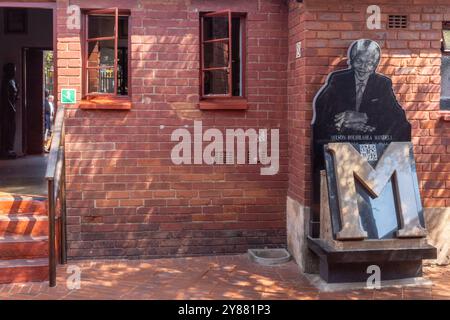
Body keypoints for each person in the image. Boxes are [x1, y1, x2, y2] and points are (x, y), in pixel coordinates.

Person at [312, 39, 411, 144]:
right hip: (342, 143)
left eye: (369, 63)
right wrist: (344, 122)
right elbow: (322, 107)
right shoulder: (338, 80)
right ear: (352, 61)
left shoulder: (383, 83)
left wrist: (364, 117)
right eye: (359, 61)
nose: (363, 67)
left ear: (375, 65)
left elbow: (398, 116)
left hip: (370, 144)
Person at [0, 63, 19, 158]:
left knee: (12, 129)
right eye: (13, 70)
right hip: (7, 111)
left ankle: (10, 149)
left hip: (12, 110)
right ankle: (5, 150)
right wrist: (12, 108)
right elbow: (5, 97)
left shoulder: (13, 81)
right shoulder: (5, 82)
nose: (14, 72)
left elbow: (15, 95)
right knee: (6, 130)